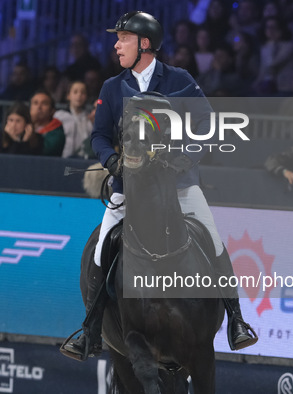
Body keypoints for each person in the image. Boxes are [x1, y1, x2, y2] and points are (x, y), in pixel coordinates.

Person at [61, 11, 257, 362]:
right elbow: (101, 136)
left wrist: (185, 158)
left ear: (145, 44)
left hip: (178, 187)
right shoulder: (111, 86)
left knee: (213, 239)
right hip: (128, 187)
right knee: (101, 245)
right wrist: (111, 162)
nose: (116, 44)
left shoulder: (180, 80)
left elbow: (206, 125)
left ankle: (236, 320)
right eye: (117, 38)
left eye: (123, 38)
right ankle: (90, 329)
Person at [54, 81, 93, 158]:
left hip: (83, 159)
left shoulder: (89, 118)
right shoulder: (59, 116)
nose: (79, 95)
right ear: (68, 95)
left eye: (83, 92)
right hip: (63, 158)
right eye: (75, 92)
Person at [29, 90, 65, 156]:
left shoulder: (57, 132)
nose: (39, 107)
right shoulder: (23, 126)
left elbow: (46, 152)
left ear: (52, 111)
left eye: (44, 104)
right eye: (35, 103)